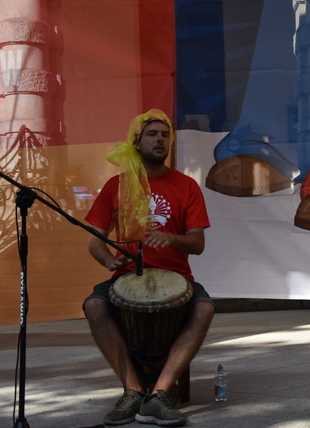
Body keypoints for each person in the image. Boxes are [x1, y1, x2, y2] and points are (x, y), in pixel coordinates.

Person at [83, 109, 214, 426]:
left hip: (176, 278)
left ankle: (160, 394)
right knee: (94, 305)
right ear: (136, 141)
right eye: (152, 134)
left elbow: (198, 244)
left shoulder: (186, 187)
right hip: (126, 276)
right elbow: (94, 242)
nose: (160, 140)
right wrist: (107, 259)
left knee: (205, 308)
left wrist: (171, 238)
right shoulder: (117, 186)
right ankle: (132, 390)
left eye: (165, 135)